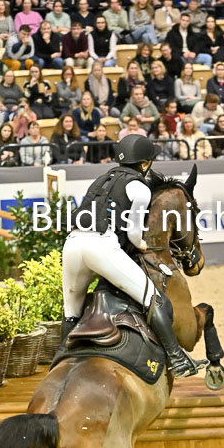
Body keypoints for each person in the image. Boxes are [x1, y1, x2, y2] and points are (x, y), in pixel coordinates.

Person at [60, 133, 205, 376]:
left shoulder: (101, 180)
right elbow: (134, 233)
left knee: (71, 312)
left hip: (73, 244)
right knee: (154, 299)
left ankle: (60, 363)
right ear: (145, 164)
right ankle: (178, 360)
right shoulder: (140, 188)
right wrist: (142, 246)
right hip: (101, 247)